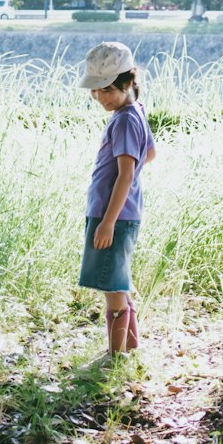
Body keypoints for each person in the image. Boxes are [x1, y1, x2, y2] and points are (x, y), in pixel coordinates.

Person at [77, 41, 157, 362]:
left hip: (114, 215)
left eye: (107, 90)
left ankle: (115, 357)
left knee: (112, 288)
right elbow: (149, 153)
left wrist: (108, 220)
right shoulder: (134, 111)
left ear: (127, 83)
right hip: (122, 213)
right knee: (118, 280)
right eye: (96, 91)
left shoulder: (123, 120)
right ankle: (130, 347)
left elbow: (125, 175)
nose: (101, 98)